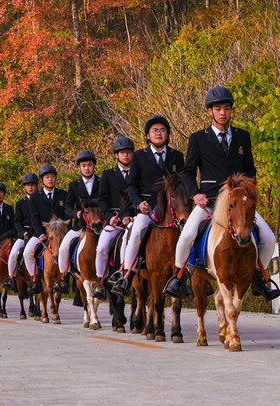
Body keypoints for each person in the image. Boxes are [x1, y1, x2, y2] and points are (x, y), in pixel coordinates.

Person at [163, 86, 280, 301]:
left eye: (226, 108)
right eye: (218, 109)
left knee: (268, 237)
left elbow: (250, 170)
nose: (223, 113)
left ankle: (258, 276)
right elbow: (188, 172)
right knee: (186, 236)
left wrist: (248, 192)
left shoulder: (242, 137)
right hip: (210, 201)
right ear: (210, 111)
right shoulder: (198, 138)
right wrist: (195, 195)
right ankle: (179, 279)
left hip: (237, 204)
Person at [110, 115, 185, 297]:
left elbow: (182, 183)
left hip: (172, 209)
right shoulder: (138, 157)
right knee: (135, 234)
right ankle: (126, 275)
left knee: (189, 234)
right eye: (155, 130)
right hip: (148, 208)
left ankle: (186, 276)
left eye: (162, 130)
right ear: (147, 136)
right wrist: (138, 203)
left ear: (167, 134)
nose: (159, 133)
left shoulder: (177, 156)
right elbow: (131, 185)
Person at [91, 137, 135, 299]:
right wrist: (109, 217)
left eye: (128, 153)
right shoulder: (108, 175)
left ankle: (127, 279)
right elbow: (102, 200)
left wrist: (131, 215)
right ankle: (101, 282)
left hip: (134, 218)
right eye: (122, 153)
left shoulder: (139, 173)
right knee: (101, 248)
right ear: (116, 155)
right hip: (114, 219)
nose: (126, 156)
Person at [54, 150, 99, 293]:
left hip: (99, 224)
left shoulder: (102, 181)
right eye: (84, 165)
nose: (87, 168)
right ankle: (64, 279)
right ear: (79, 167)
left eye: (90, 165)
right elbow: (67, 206)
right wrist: (76, 213)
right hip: (81, 225)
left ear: (94, 166)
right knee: (63, 249)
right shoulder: (74, 185)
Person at [24, 163, 70, 295]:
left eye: (52, 177)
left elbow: (66, 214)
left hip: (60, 234)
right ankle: (34, 280)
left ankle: (65, 280)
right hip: (42, 233)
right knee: (27, 253)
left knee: (70, 252)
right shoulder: (35, 197)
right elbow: (34, 217)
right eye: (47, 177)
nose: (50, 179)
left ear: (55, 178)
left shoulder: (63, 194)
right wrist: (39, 233)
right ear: (42, 180)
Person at [3, 172, 38, 290]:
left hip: (39, 234)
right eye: (28, 185)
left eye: (33, 184)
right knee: (13, 254)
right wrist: (23, 232)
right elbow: (17, 222)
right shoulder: (20, 204)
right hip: (25, 234)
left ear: (36, 186)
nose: (30, 187)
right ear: (25, 187)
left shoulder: (41, 200)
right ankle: (11, 278)